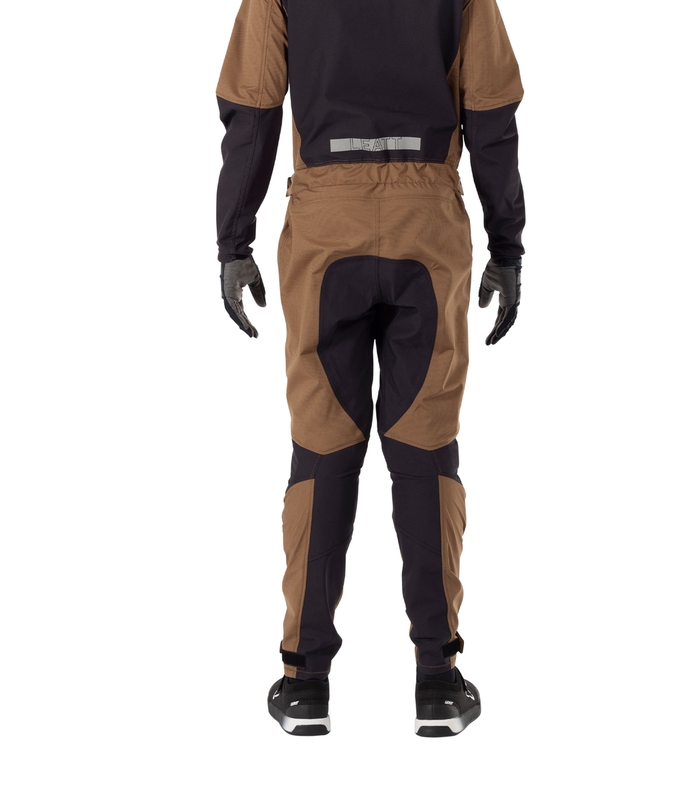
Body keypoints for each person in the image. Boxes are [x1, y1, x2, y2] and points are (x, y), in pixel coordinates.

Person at [215, 0, 525, 737]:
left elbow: (251, 108)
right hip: (429, 227)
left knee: (322, 447)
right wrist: (508, 246)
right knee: (425, 447)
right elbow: (492, 111)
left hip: (326, 227)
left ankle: (304, 682)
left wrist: (233, 240)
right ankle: (438, 680)